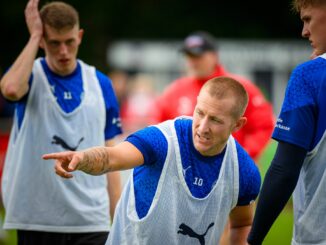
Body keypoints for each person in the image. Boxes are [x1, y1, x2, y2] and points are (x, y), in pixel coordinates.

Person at [43, 76, 261, 245]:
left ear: (238, 124)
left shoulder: (243, 171)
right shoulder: (162, 140)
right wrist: (82, 158)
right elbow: (113, 157)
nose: (202, 127)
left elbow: (243, 223)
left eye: (215, 120)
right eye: (200, 113)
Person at [0, 0, 122, 244]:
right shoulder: (30, 75)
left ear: (79, 36)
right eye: (54, 43)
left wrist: (118, 222)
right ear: (43, 41)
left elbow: (111, 157)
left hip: (91, 219)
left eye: (69, 42)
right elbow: (11, 89)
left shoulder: (100, 83)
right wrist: (34, 36)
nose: (63, 51)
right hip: (37, 218)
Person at [247, 1, 326, 244]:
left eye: (307, 19)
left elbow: (283, 170)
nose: (304, 31)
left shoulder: (309, 76)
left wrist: (253, 239)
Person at [154, 31, 274, 161]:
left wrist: (241, 156)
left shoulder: (240, 88)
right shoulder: (175, 90)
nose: (192, 62)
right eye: (188, 56)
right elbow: (160, 128)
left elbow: (263, 126)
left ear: (214, 56)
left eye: (197, 56)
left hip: (228, 168)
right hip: (185, 168)